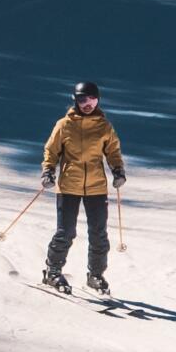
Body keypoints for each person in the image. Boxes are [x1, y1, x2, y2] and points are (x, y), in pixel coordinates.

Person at [41, 80, 125, 295]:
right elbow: (51, 151)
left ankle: (95, 275)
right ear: (75, 100)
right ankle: (52, 271)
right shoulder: (64, 125)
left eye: (92, 99)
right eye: (82, 99)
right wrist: (48, 171)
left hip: (96, 187)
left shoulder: (104, 126)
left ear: (98, 100)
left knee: (99, 233)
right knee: (66, 232)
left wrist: (118, 171)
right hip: (69, 185)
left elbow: (113, 152)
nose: (87, 104)